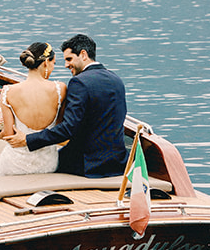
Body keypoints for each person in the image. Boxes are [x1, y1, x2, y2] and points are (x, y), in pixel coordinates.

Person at [9, 33, 127, 177]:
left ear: (83, 54)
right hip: (118, 163)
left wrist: (27, 140)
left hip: (87, 165)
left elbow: (67, 129)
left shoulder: (79, 82)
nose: (66, 65)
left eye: (69, 59)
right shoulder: (116, 79)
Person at [0, 41, 68, 177]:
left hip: (16, 164)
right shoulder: (60, 89)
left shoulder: (8, 91)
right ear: (46, 62)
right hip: (49, 164)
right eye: (54, 63)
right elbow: (59, 130)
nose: (53, 67)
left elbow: (9, 134)